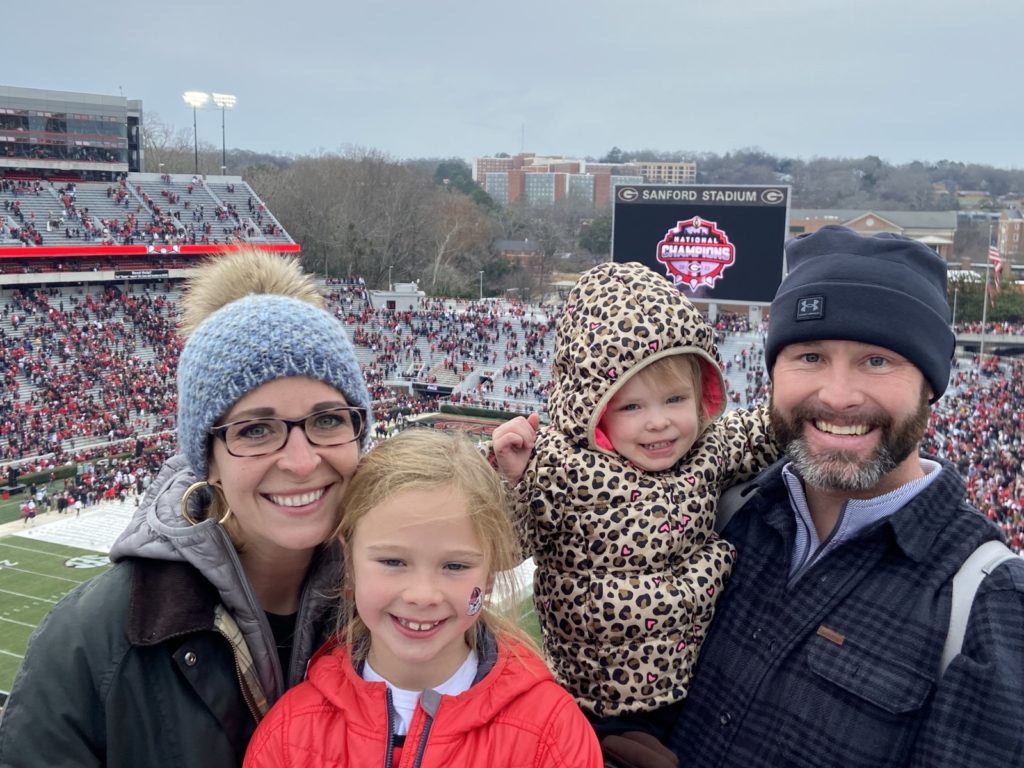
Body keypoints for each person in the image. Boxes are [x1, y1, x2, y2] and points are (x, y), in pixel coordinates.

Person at [0, 248, 373, 768]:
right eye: (256, 430)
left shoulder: (398, 607)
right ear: (208, 460)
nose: (301, 460)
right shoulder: (90, 642)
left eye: (328, 420)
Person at [668, 225, 1024, 766]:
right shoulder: (719, 511)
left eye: (876, 361)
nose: (837, 396)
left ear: (930, 383)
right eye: (809, 356)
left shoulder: (986, 604)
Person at [491, 261, 779, 766]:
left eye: (675, 399)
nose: (660, 422)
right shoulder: (560, 470)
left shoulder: (708, 451)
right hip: (597, 692)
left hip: (694, 679)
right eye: (631, 408)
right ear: (592, 409)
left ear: (703, 396)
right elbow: (501, 548)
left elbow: (766, 428)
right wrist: (512, 479)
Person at [243, 428, 603, 767]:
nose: (422, 595)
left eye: (455, 566)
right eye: (393, 561)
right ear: (349, 561)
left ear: (490, 574)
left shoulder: (551, 732)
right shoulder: (289, 733)